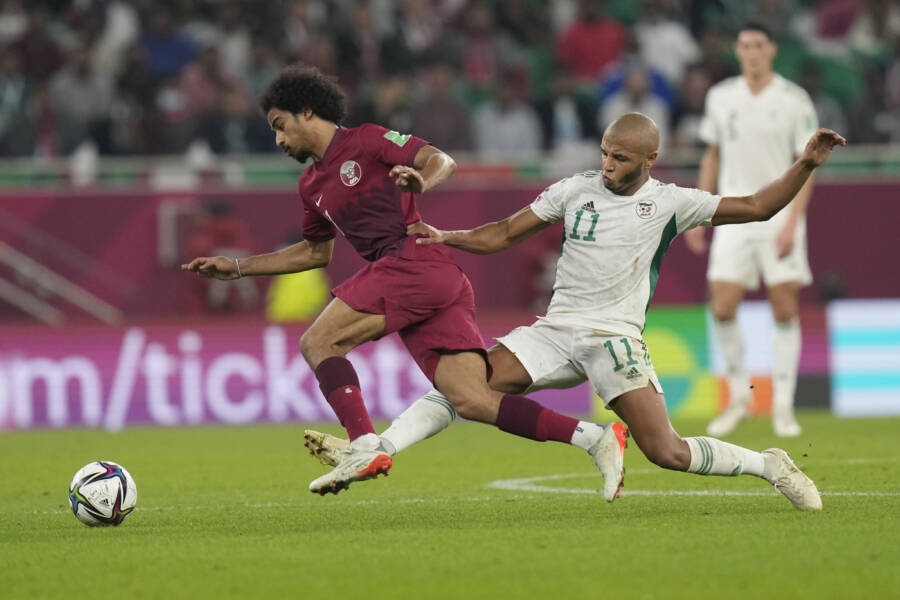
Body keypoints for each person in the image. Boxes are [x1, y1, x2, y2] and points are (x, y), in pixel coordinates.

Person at [304, 112, 845, 511]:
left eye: (621, 159)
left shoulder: (673, 202)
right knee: (467, 388)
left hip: (614, 337)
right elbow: (504, 233)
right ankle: (375, 448)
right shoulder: (574, 189)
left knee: (667, 452)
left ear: (649, 161)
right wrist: (448, 236)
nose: (608, 165)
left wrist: (805, 164)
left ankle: (769, 465)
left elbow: (758, 207)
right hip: (556, 331)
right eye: (605, 153)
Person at [182, 65, 628, 499]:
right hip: (430, 278)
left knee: (318, 342)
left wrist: (421, 181)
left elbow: (441, 160)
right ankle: (595, 438)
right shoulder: (311, 185)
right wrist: (237, 267)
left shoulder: (367, 140)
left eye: (280, 126)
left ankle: (364, 445)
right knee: (471, 399)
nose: (278, 140)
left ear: (306, 112)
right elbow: (316, 252)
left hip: (412, 259)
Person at [683, 23, 820, 438]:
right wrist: (699, 211)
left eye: (759, 45)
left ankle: (783, 406)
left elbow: (806, 165)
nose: (753, 52)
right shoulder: (721, 96)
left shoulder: (793, 99)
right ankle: (740, 398)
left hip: (780, 215)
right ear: (738, 50)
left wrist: (793, 222)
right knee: (722, 307)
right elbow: (712, 155)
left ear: (771, 49)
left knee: (784, 308)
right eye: (745, 45)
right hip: (734, 212)